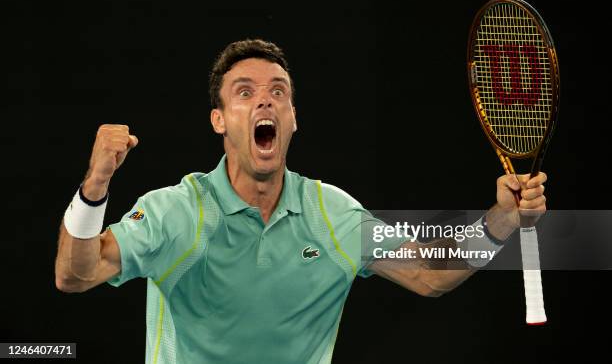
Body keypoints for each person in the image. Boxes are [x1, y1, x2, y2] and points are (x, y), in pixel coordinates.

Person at [55, 39, 547, 363]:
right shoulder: (175, 213)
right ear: (219, 120)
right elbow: (73, 276)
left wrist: (499, 222)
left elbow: (430, 273)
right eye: (244, 93)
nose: (264, 101)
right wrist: (94, 188)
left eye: (277, 92)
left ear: (292, 118)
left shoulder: (332, 215)